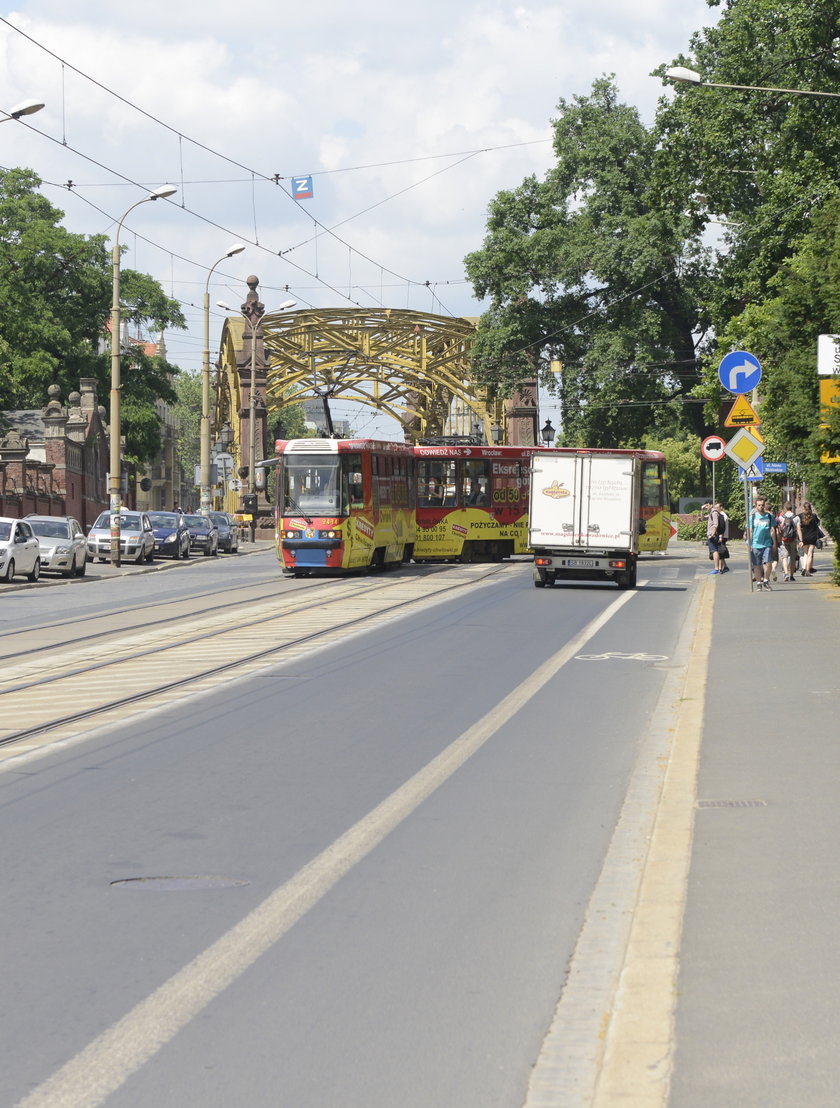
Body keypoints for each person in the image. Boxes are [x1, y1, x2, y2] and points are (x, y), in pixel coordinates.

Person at [749, 494, 777, 591]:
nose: (761, 507)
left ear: (765, 505)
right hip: (756, 544)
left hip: (767, 543)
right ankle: (758, 583)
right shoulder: (752, 517)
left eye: (762, 505)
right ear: (756, 506)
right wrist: (749, 544)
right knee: (757, 565)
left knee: (768, 563)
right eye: (759, 505)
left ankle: (765, 581)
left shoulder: (769, 516)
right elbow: (750, 531)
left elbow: (773, 530)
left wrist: (774, 543)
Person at [798, 501, 826, 576]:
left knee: (805, 553)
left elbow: (798, 527)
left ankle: (804, 568)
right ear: (810, 508)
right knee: (810, 554)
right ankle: (807, 570)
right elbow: (817, 523)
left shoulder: (800, 516)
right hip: (812, 536)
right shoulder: (813, 516)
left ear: (803, 509)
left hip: (804, 537)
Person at [776, 502, 802, 581]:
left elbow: (779, 530)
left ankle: (786, 573)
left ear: (785, 508)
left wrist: (779, 539)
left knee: (784, 557)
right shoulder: (796, 517)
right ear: (792, 508)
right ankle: (791, 575)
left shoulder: (781, 517)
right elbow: (798, 529)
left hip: (784, 539)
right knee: (793, 558)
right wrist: (801, 540)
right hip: (793, 539)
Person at [706, 500, 726, 574]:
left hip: (713, 535)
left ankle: (716, 568)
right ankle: (718, 568)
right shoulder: (711, 513)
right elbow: (702, 519)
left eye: (707, 505)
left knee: (715, 551)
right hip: (713, 535)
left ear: (711, 505)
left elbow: (715, 524)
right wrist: (702, 510)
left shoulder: (714, 513)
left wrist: (712, 534)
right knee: (714, 550)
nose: (706, 507)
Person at [714, 500, 731, 572]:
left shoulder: (723, 515)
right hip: (721, 535)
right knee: (720, 551)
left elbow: (722, 527)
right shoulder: (719, 515)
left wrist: (721, 536)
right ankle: (725, 567)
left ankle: (721, 568)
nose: (716, 509)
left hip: (723, 535)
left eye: (717, 507)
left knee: (720, 551)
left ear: (721, 507)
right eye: (715, 508)